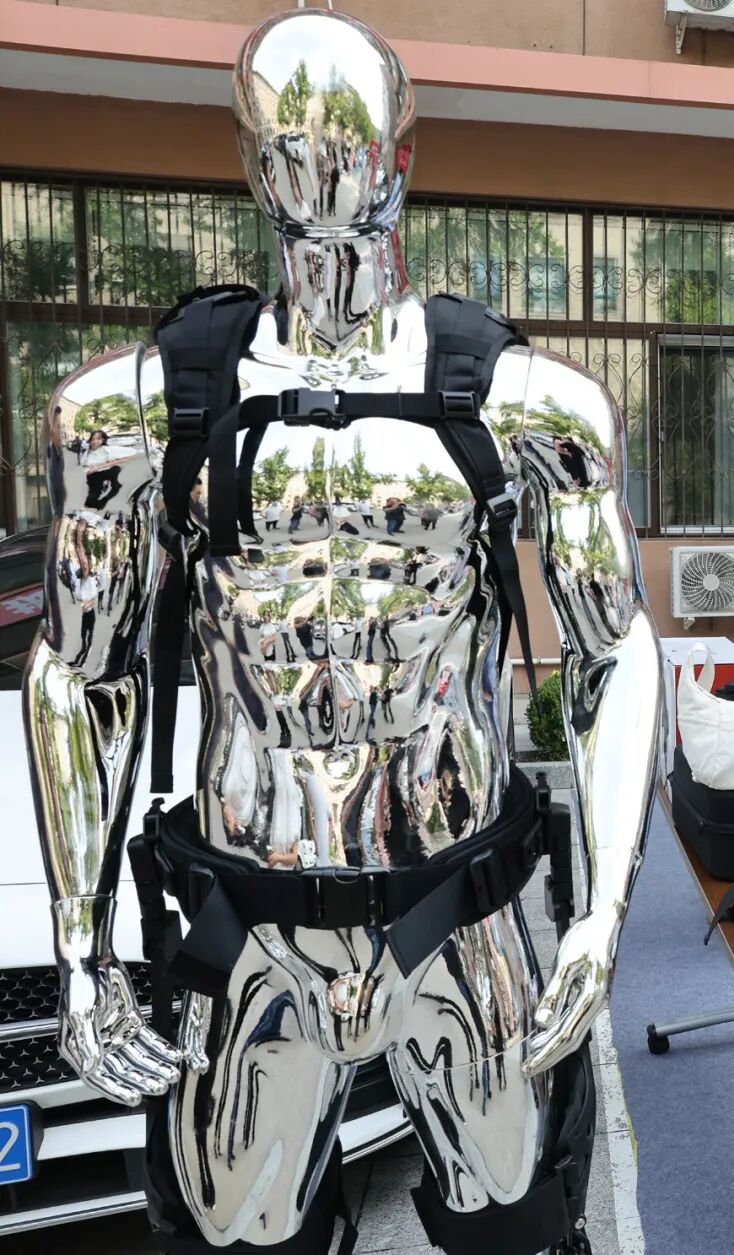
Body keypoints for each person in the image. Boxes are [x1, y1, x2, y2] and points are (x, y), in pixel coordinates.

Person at [25, 14, 662, 1255]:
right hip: (251, 916)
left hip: (456, 906)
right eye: (291, 141)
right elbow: (78, 674)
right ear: (251, 158)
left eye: (350, 138)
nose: (323, 168)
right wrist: (80, 940)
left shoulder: (530, 409)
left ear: (403, 151)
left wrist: (600, 914)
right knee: (238, 1236)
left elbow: (615, 652)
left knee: (518, 1227)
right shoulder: (138, 412)